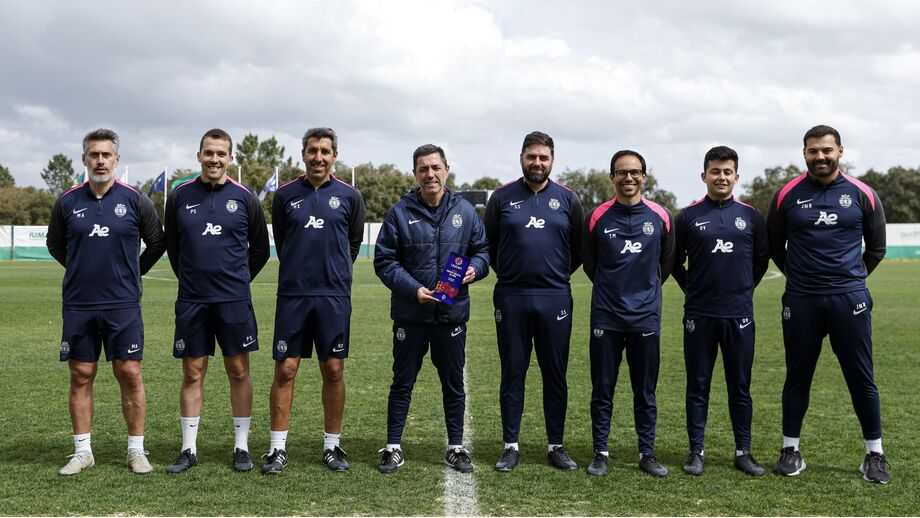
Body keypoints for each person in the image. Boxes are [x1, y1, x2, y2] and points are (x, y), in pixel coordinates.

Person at [767, 125, 889, 483]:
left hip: (849, 300)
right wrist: (803, 278)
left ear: (840, 151)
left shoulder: (863, 194)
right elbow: (775, 248)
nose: (820, 156)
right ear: (804, 153)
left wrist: (849, 279)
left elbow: (877, 249)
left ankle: (875, 454)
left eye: (827, 150)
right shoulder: (786, 194)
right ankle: (790, 450)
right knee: (797, 376)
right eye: (813, 151)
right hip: (801, 300)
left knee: (861, 378)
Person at [46, 128, 166, 475]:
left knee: (129, 373)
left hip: (123, 304)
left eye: (106, 155)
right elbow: (56, 245)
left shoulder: (134, 199)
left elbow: (157, 242)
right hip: (80, 304)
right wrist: (81, 269)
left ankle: (136, 450)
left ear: (117, 159)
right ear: (84, 159)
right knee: (81, 374)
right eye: (94, 155)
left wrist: (132, 273)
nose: (100, 161)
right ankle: (83, 451)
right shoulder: (68, 201)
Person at [374, 144, 489, 474]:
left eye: (435, 167)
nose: (430, 174)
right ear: (415, 174)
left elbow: (482, 251)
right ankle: (393, 446)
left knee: (453, 383)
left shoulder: (465, 212)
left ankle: (456, 446)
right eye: (423, 169)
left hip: (451, 316)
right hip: (412, 315)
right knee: (402, 382)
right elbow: (385, 261)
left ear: (446, 169)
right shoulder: (399, 212)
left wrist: (475, 269)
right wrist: (415, 290)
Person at [163, 128, 270, 474]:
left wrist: (235, 282)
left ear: (230, 158)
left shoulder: (246, 198)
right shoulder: (179, 196)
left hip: (233, 301)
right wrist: (194, 280)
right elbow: (174, 249)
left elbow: (260, 251)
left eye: (221, 154)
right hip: (193, 300)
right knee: (193, 371)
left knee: (238, 370)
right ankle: (188, 448)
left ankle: (241, 447)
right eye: (209, 153)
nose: (214, 159)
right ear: (199, 156)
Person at [261, 128, 365, 474]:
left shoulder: (350, 196)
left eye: (325, 151)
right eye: (312, 151)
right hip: (293, 295)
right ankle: (277, 449)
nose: (318, 157)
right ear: (302, 154)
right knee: (286, 369)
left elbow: (351, 245)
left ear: (335, 155)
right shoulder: (285, 195)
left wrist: (332, 273)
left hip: (334, 296)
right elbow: (283, 240)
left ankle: (332, 446)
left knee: (333, 369)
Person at [483, 131, 583, 471]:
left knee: (555, 373)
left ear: (552, 161)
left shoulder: (568, 199)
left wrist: (552, 275)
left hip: (555, 297)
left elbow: (579, 249)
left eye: (543, 157)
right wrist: (514, 273)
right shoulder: (501, 198)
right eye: (531, 157)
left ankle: (556, 445)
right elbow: (491, 246)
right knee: (513, 372)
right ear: (521, 158)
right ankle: (511, 445)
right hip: (511, 296)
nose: (537, 163)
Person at [672, 146, 769, 476]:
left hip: (739, 314)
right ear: (704, 176)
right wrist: (693, 289)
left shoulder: (752, 216)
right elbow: (673, 263)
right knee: (697, 386)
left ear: (737, 177)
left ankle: (743, 451)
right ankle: (695, 451)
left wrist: (742, 289)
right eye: (715, 171)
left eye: (728, 172)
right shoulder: (686, 217)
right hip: (699, 314)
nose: (721, 177)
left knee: (739, 386)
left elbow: (760, 261)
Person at [582, 150, 675, 477]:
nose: (629, 178)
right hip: (606, 317)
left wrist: (643, 293)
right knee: (602, 388)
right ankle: (601, 452)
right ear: (612, 178)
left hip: (645, 318)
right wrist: (613, 290)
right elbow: (591, 265)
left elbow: (666, 264)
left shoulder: (661, 216)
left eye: (635, 172)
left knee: (645, 392)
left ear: (644, 176)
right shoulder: (596, 217)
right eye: (622, 173)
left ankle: (646, 453)